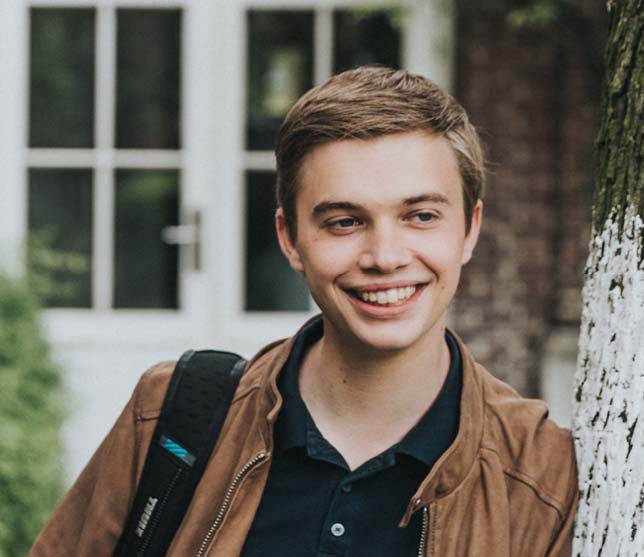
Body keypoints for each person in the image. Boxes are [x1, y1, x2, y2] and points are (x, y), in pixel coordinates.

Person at [30, 66, 578, 556]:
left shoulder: (540, 473)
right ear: (290, 239)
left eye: (420, 216)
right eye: (344, 221)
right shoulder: (174, 417)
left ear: (470, 229)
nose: (385, 257)